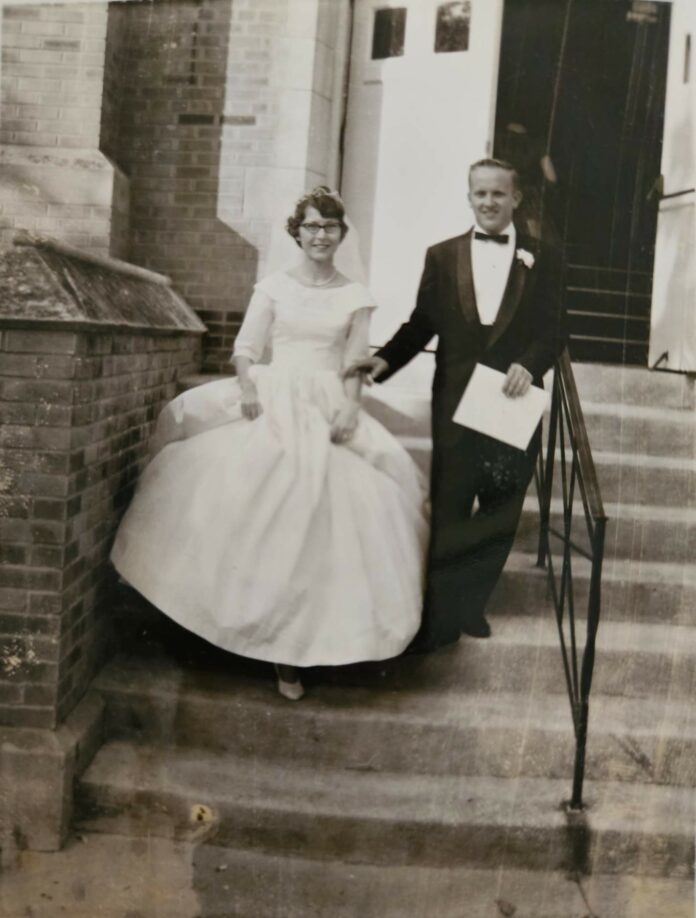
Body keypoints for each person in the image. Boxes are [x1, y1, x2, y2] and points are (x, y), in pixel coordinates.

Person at [111, 187, 428, 700]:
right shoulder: (275, 287)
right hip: (273, 394)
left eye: (329, 227)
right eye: (310, 227)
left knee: (326, 514)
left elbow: (353, 360)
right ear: (296, 233)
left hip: (327, 402)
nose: (320, 236)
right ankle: (240, 634)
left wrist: (351, 406)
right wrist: (248, 385)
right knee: (246, 500)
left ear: (341, 234)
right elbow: (247, 348)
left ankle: (296, 651)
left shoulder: (355, 296)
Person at [345, 159, 566, 651]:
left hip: (512, 401)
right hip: (456, 401)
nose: (489, 202)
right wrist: (382, 363)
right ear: (469, 198)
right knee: (449, 505)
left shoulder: (543, 257)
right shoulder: (442, 256)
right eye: (480, 194)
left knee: (500, 508)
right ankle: (441, 614)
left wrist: (530, 364)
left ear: (516, 199)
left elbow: (555, 328)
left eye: (498, 194)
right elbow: (421, 323)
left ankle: (472, 605)